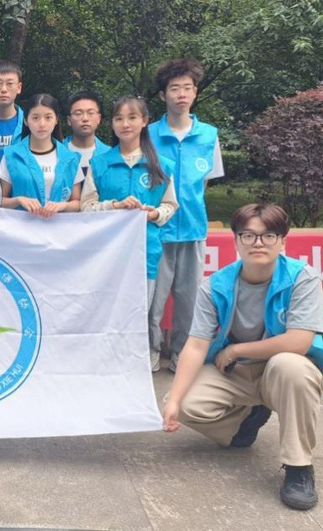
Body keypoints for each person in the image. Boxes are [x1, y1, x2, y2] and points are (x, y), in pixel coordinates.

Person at [162, 203, 323, 510]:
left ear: (282, 241)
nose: (258, 243)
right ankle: (245, 422)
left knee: (291, 367)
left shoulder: (302, 277)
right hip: (237, 373)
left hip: (282, 368)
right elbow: (196, 345)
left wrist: (236, 350)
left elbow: (298, 341)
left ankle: (299, 468)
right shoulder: (215, 286)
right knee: (185, 405)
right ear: (236, 240)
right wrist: (174, 401)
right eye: (248, 235)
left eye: (268, 235)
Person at [81, 96, 178, 371]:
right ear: (111, 124)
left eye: (132, 118)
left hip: (146, 250)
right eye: (119, 118)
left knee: (141, 310)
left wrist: (153, 214)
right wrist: (114, 206)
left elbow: (170, 205)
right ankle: (106, 361)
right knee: (107, 308)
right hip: (107, 253)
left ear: (145, 121)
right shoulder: (100, 164)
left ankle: (138, 361)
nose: (126, 124)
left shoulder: (162, 165)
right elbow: (86, 207)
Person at [148, 58, 225, 373]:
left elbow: (204, 182)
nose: (181, 94)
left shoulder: (209, 135)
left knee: (189, 299)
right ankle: (151, 350)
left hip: (193, 228)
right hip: (157, 230)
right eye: (174, 88)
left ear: (195, 92)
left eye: (187, 88)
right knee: (153, 299)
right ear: (163, 94)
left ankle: (181, 351)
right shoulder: (148, 134)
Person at [0, 94, 82, 218]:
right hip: (20, 227)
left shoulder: (71, 158)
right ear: (26, 121)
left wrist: (63, 205)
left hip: (60, 228)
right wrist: (19, 200)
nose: (42, 124)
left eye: (48, 117)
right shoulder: (11, 156)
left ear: (56, 120)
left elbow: (78, 203)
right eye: (35, 118)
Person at [63, 91, 110, 177]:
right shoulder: (57, 152)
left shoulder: (110, 155)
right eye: (78, 113)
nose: (85, 118)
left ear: (99, 118)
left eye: (90, 113)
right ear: (69, 120)